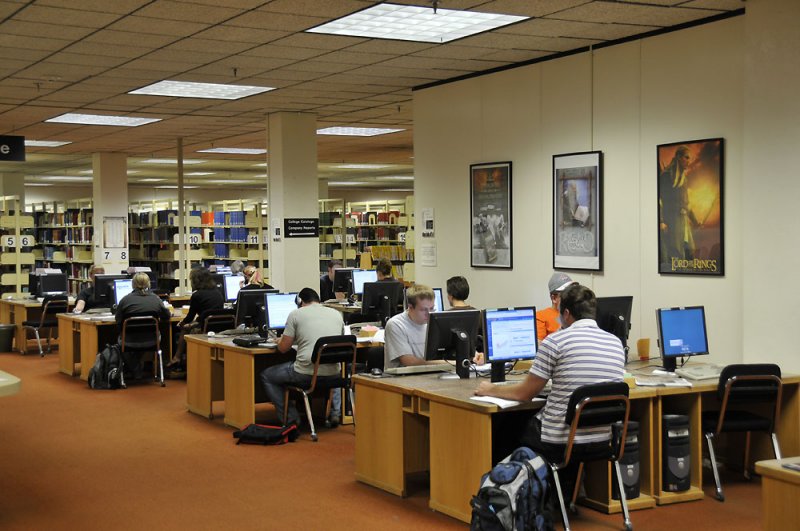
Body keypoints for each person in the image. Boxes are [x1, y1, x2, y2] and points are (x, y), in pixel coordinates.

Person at [475, 284, 625, 494]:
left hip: (559, 440)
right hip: (601, 439)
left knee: (505, 425)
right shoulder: (616, 343)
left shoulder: (555, 342)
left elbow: (524, 394)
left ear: (566, 313)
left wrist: (490, 389)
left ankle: (508, 499)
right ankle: (560, 494)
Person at [259, 288, 344, 427]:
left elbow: (283, 348)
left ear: (300, 302)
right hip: (334, 373)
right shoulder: (336, 314)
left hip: (306, 374)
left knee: (267, 375)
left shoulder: (296, 314)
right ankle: (335, 413)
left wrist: (281, 340)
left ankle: (291, 419)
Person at [114, 272, 171, 379]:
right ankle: (142, 368)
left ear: (133, 284)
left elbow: (118, 321)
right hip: (152, 339)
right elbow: (166, 316)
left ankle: (134, 369)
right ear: (149, 284)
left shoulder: (125, 300)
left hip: (129, 340)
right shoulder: (156, 299)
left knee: (120, 342)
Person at [167, 268, 224, 372]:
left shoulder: (197, 295)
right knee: (187, 327)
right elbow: (208, 313)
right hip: (217, 328)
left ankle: (177, 358)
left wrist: (182, 323)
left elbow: (190, 317)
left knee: (182, 330)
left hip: (204, 328)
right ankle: (179, 361)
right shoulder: (218, 292)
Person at [659, 145, 699, 262]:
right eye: (686, 157)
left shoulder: (684, 179)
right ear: (678, 157)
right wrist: (661, 221)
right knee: (676, 256)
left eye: (689, 158)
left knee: (690, 253)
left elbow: (687, 203)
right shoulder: (666, 176)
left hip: (684, 222)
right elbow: (659, 200)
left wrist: (695, 221)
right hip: (672, 222)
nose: (688, 161)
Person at [383, 284, 435, 368]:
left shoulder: (433, 323)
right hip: (401, 378)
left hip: (430, 374)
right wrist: (443, 363)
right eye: (423, 310)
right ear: (410, 307)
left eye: (432, 308)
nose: (429, 313)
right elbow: (409, 361)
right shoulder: (396, 324)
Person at [536, 272, 575, 342]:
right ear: (554, 298)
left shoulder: (577, 312)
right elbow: (540, 347)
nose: (571, 296)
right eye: (566, 293)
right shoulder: (541, 316)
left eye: (572, 291)